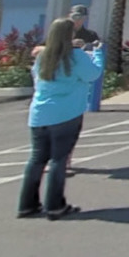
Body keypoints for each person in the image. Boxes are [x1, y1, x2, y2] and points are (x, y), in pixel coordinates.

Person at [17, 17, 104, 220]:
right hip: (66, 113)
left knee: (37, 159)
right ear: (70, 35)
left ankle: (27, 205)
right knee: (58, 159)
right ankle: (55, 205)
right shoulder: (76, 56)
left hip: (40, 114)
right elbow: (93, 74)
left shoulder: (43, 56)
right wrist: (98, 54)